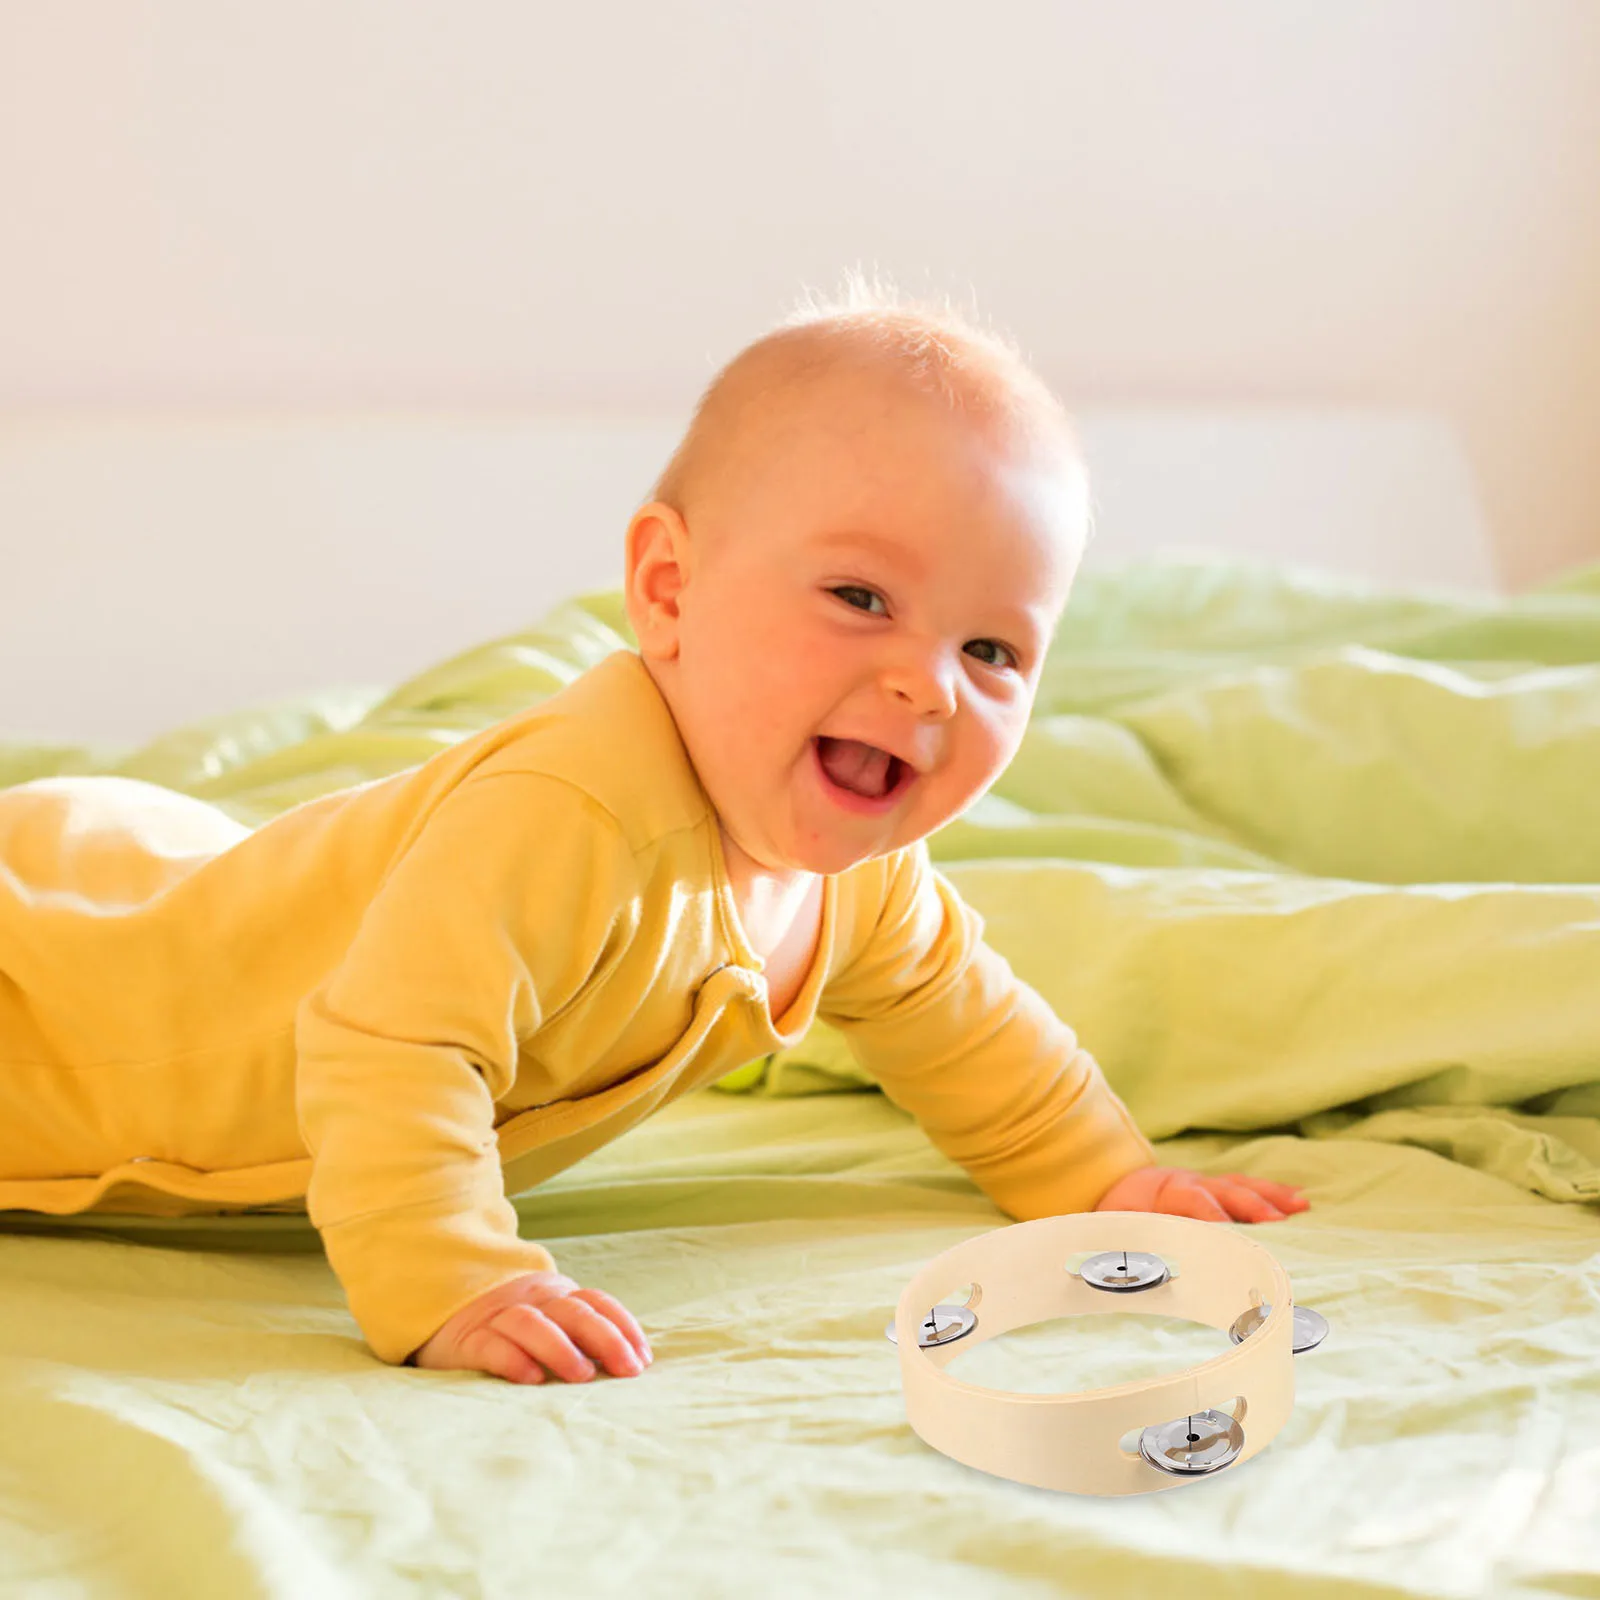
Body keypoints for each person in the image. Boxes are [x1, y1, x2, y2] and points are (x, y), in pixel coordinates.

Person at [0, 276, 1307, 1388]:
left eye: (992, 648)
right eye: (861, 597)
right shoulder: (569, 816)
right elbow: (391, 1045)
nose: (929, 683)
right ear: (669, 591)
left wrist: (1106, 1182)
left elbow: (976, 1040)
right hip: (67, 1014)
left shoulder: (861, 882)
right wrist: (452, 1279)